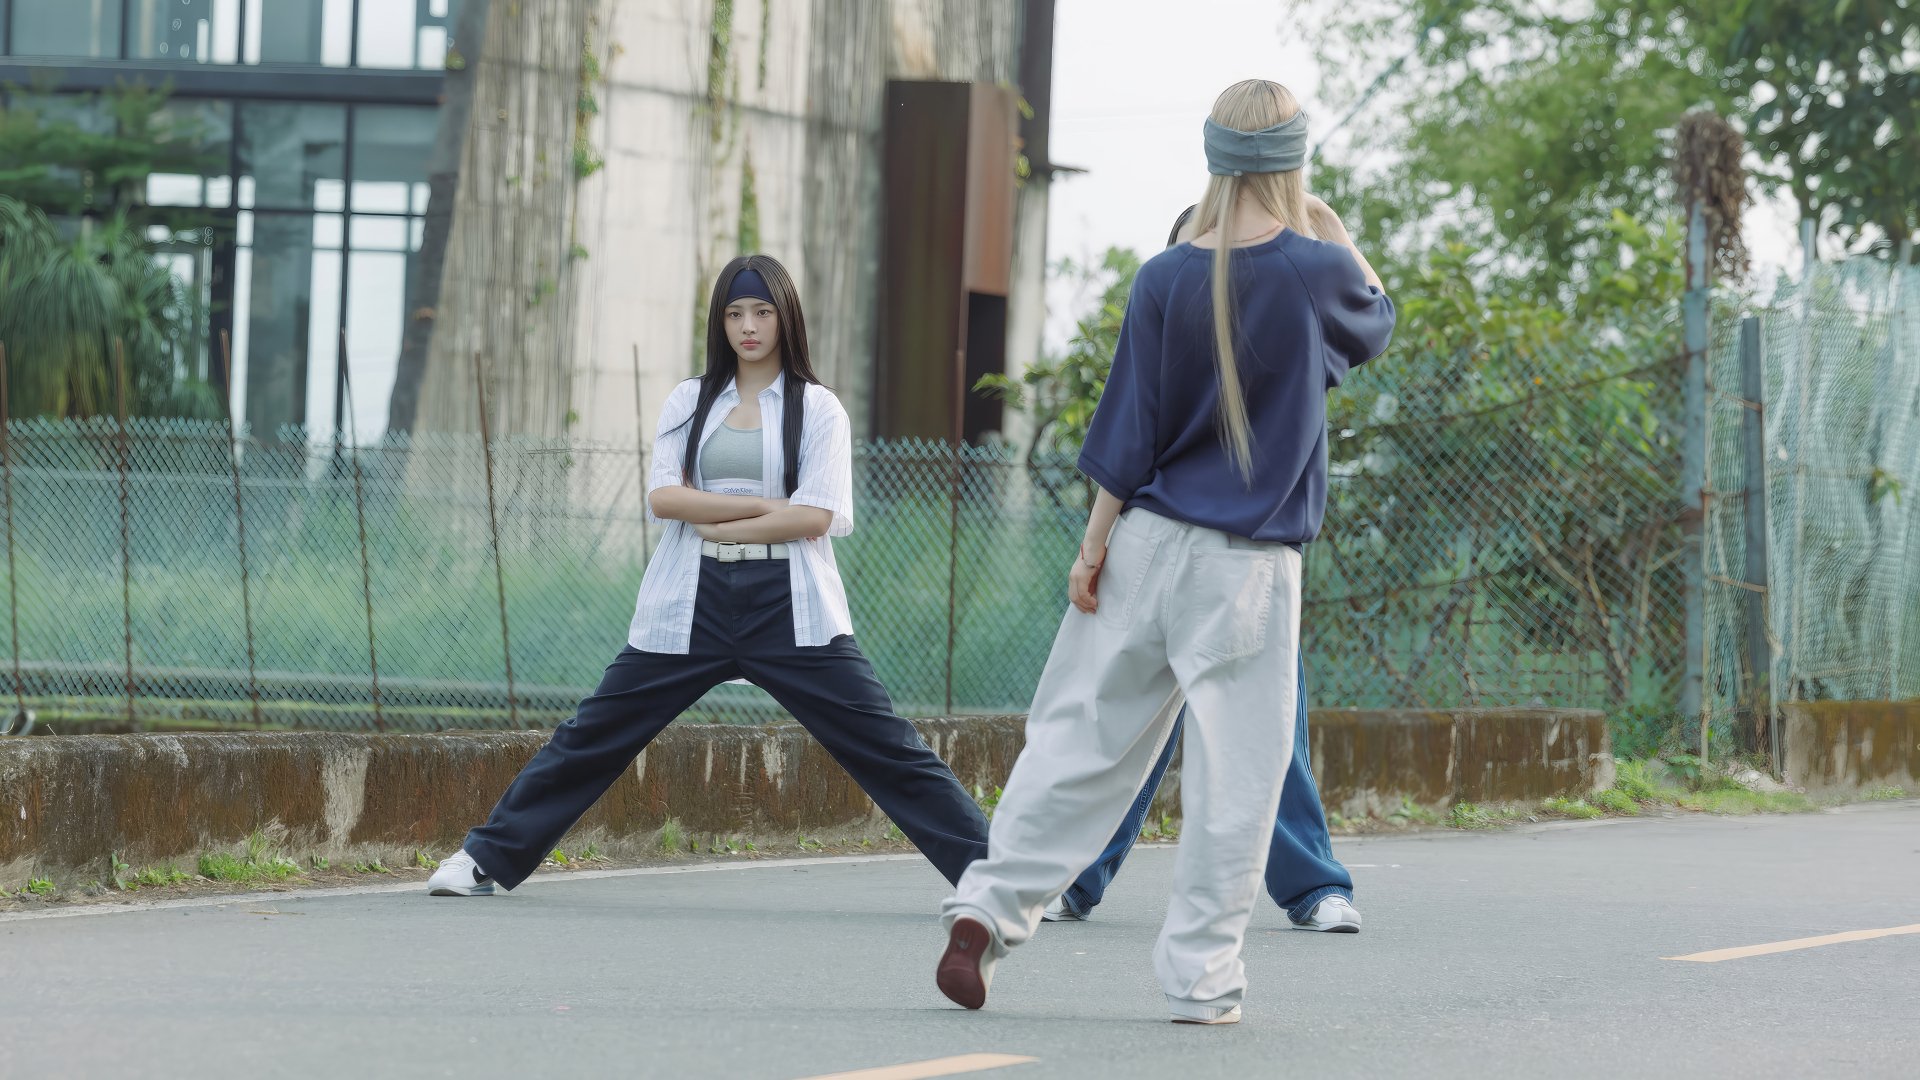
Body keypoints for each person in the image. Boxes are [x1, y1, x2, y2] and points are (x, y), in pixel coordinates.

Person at [933, 79, 1394, 1025]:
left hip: (1143, 541)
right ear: (1293, 159)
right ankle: (1201, 980)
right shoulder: (1315, 268)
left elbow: (1127, 433)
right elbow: (1374, 322)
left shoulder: (1163, 274)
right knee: (1237, 775)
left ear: (1213, 158)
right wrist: (1331, 222)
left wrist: (1093, 547)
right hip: (1246, 567)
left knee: (1076, 741)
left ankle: (987, 902)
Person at [427, 254, 990, 897]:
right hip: (690, 600)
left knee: (886, 744)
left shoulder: (818, 408)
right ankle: (483, 861)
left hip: (790, 605)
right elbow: (666, 499)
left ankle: (995, 879)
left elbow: (819, 515)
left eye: (762, 311)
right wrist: (764, 509)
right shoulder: (691, 400)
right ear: (720, 322)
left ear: (786, 317)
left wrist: (726, 522)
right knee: (593, 734)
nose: (748, 326)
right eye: (734, 313)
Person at [1040, 205, 1360, 935]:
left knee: (1268, 737)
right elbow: (1124, 448)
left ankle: (1313, 887)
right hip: (1159, 564)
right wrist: (1093, 550)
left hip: (1248, 569)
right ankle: (1071, 879)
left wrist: (1328, 228)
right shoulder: (1166, 337)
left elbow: (1367, 314)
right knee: (1119, 731)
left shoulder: (1283, 340)